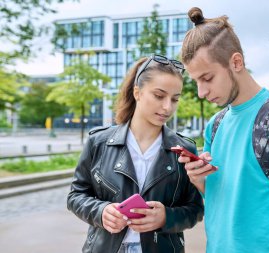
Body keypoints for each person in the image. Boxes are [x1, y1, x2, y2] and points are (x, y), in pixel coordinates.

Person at [178, 7, 269, 253]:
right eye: (196, 82)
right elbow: (221, 200)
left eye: (207, 78)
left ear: (236, 62)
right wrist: (198, 178)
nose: (201, 93)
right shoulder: (214, 126)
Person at [67, 54, 204, 253]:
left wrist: (167, 217)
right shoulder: (99, 142)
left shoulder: (185, 150)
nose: (167, 107)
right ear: (137, 93)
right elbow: (76, 195)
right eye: (159, 95)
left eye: (175, 99)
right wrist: (101, 211)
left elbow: (195, 209)